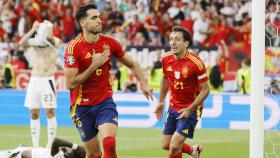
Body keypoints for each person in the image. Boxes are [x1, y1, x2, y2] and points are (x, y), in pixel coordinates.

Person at [64, 4, 153, 158]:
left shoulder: (109, 43)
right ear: (83, 23)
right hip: (81, 107)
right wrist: (93, 66)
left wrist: (144, 83)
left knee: (109, 143)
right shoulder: (73, 49)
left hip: (104, 102)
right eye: (94, 18)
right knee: (94, 154)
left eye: (99, 16)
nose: (100, 20)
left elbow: (133, 64)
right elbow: (71, 84)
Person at [154, 26, 210, 158]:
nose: (173, 43)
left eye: (177, 40)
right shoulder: (166, 59)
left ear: (186, 43)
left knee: (174, 146)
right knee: (165, 144)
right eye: (171, 39)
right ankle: (193, 151)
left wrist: (190, 109)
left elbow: (206, 89)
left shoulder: (196, 63)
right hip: (174, 106)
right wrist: (161, 102)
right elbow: (165, 79)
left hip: (191, 108)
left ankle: (190, 151)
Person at [19, 20, 59, 148]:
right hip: (34, 80)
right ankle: (35, 144)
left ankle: (50, 143)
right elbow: (21, 43)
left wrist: (48, 30)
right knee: (34, 112)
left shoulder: (55, 41)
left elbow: (53, 41)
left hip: (48, 80)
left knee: (50, 111)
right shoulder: (34, 43)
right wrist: (32, 29)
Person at [6, 137, 86, 158]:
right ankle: (21, 148)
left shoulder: (57, 155)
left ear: (70, 156)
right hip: (38, 151)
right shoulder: (64, 154)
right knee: (24, 148)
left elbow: (56, 140)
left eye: (71, 150)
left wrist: (76, 146)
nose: (69, 147)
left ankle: (16, 150)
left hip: (25, 155)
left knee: (20, 152)